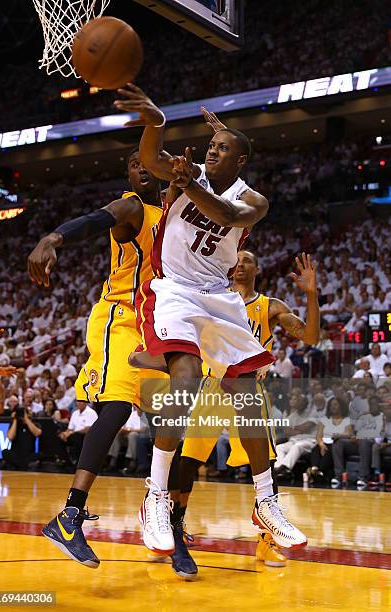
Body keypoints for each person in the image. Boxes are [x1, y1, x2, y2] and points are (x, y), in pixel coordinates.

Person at [117, 85, 306, 555]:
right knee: (185, 373)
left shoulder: (253, 201)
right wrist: (154, 121)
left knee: (246, 391)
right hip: (176, 290)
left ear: (240, 161)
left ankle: (266, 500)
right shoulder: (187, 171)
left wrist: (190, 183)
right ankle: (155, 494)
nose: (212, 150)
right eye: (212, 145)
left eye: (223, 148)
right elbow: (151, 155)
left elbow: (224, 212)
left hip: (219, 299)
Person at [28, 149, 165, 568]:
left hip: (157, 324)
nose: (141, 168)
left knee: (173, 418)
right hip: (121, 318)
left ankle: (165, 514)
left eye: (149, 161)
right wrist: (53, 238)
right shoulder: (131, 207)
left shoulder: (176, 210)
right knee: (118, 407)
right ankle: (69, 516)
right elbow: (92, 221)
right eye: (133, 164)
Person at [170, 248, 319, 576]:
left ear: (257, 268)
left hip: (250, 389)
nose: (239, 263)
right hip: (212, 386)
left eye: (247, 259)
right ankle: (173, 532)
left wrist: (311, 295)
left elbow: (311, 336)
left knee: (263, 463)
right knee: (187, 463)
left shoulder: (269, 307)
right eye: (235, 259)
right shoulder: (212, 299)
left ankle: (267, 542)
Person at [308, 397, 353, 483]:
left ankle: (316, 471)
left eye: (335, 404)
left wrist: (338, 435)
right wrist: (321, 445)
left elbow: (348, 434)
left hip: (337, 444)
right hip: (324, 444)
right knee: (315, 449)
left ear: (341, 406)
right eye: (331, 405)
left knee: (330, 450)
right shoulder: (324, 420)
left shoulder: (347, 420)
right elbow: (318, 436)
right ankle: (316, 470)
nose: (333, 407)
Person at [3, 405, 42, 470]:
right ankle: (23, 466)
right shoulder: (14, 425)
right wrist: (15, 419)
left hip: (29, 455)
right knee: (5, 452)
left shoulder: (35, 424)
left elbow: (37, 433)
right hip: (16, 455)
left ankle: (20, 466)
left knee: (40, 455)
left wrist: (26, 419)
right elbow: (10, 437)